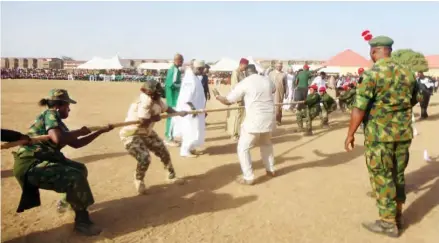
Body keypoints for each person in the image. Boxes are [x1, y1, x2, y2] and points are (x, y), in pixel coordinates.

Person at [344, 36, 419, 238]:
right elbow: (414, 100)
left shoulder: (372, 74)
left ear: (374, 51)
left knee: (382, 176)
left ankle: (387, 223)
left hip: (379, 136)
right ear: (390, 50)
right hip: (403, 134)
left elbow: (359, 108)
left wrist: (350, 134)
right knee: (398, 174)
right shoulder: (408, 73)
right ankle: (398, 216)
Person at [12, 89, 113, 236]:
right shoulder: (50, 114)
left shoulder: (59, 124)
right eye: (67, 106)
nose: (69, 109)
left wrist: (100, 131)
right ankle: (82, 222)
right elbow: (57, 138)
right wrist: (79, 131)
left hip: (42, 159)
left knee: (80, 169)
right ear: (58, 106)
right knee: (75, 176)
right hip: (31, 164)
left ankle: (68, 202)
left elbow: (76, 144)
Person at [119, 79, 188, 194]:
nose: (159, 93)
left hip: (146, 132)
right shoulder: (145, 101)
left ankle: (171, 176)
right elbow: (142, 121)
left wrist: (179, 113)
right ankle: (139, 180)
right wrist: (155, 118)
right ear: (150, 92)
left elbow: (167, 108)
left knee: (163, 151)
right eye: (157, 91)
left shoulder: (157, 100)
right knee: (144, 157)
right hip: (131, 134)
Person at [214, 64, 276, 185]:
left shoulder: (245, 82)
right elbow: (273, 89)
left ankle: (249, 177)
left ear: (246, 73)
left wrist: (217, 96)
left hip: (254, 120)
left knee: (243, 148)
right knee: (266, 145)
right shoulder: (266, 80)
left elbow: (228, 101)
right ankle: (271, 170)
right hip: (269, 118)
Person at [173, 60, 207, 158]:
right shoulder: (190, 79)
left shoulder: (194, 77)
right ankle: (185, 150)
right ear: (196, 68)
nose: (201, 71)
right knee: (189, 130)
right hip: (190, 111)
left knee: (195, 130)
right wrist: (193, 109)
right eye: (200, 69)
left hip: (197, 110)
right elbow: (186, 98)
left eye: (202, 69)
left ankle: (191, 148)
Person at [226, 58, 248, 141]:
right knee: (236, 116)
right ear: (241, 64)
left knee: (241, 116)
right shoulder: (235, 72)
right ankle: (234, 134)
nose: (245, 68)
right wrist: (238, 98)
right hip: (237, 98)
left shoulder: (242, 73)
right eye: (245, 66)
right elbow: (235, 86)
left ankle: (239, 133)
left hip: (243, 98)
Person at [164, 53, 184, 147]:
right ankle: (168, 138)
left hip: (171, 97)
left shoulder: (172, 69)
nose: (182, 63)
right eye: (182, 61)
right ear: (178, 60)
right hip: (173, 98)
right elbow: (172, 84)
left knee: (171, 118)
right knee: (171, 118)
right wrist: (182, 86)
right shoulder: (175, 70)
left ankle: (170, 136)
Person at [269, 61, 287, 125]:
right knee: (273, 106)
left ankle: (278, 120)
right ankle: (273, 120)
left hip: (280, 92)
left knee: (279, 106)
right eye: (278, 66)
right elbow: (268, 83)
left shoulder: (284, 74)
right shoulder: (271, 73)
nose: (279, 67)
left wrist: (286, 92)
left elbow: (285, 84)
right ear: (275, 66)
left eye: (280, 66)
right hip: (272, 92)